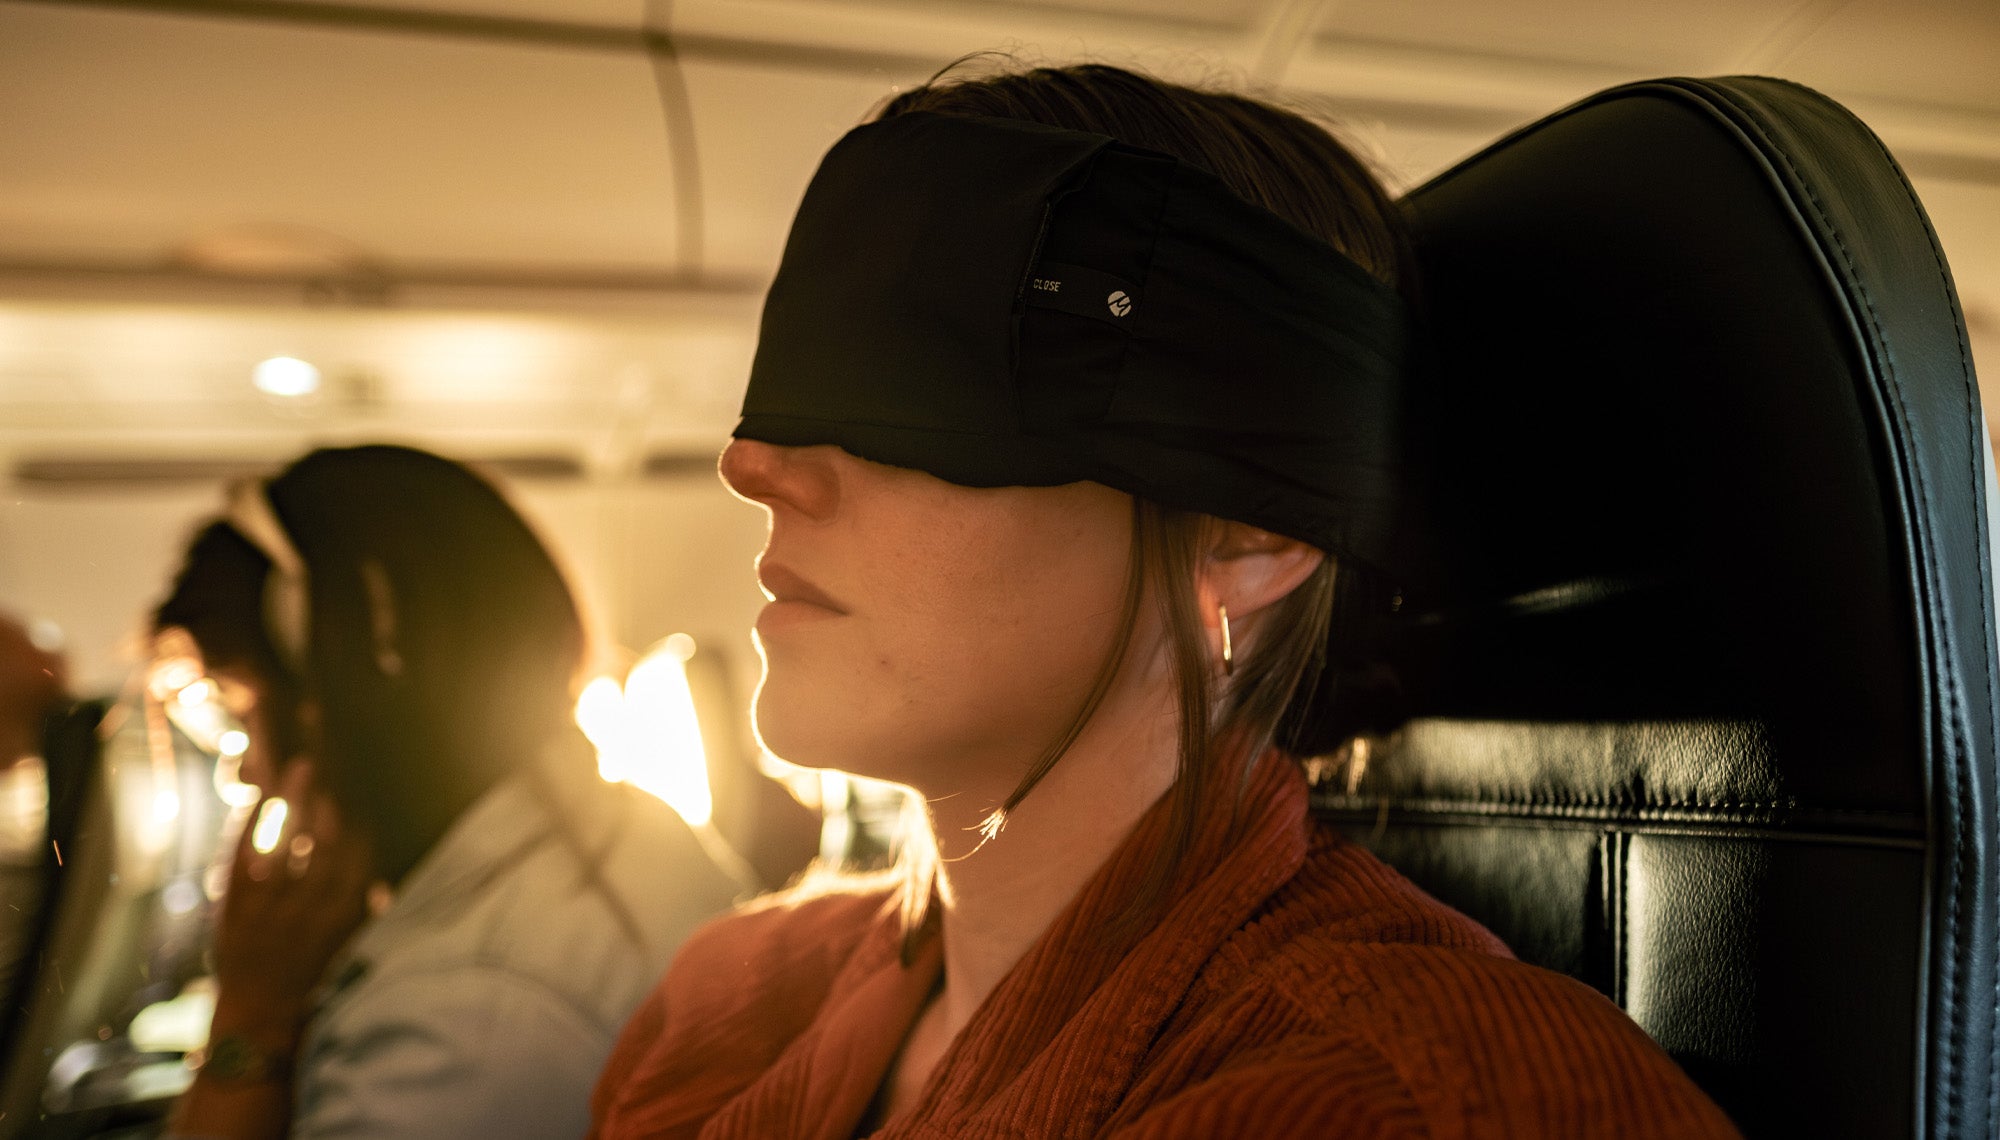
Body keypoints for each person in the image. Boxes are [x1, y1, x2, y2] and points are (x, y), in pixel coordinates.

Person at [589, 62, 1741, 1138]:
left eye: (924, 376)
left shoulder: (1424, 1100)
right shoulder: (722, 1000)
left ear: (1250, 531)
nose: (755, 462)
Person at [155, 444, 751, 1139]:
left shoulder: (461, 1020)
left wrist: (250, 1021)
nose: (244, 770)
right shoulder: (627, 836)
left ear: (343, 699)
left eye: (236, 711)